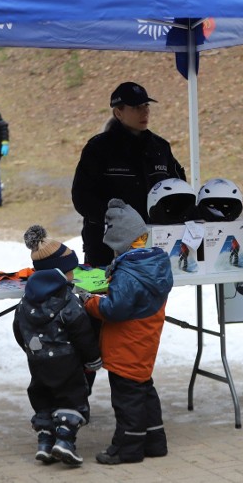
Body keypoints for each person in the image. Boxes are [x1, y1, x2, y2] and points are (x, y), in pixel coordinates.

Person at [81, 199, 172, 464]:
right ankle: (155, 441)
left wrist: (90, 302)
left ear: (121, 241)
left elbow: (114, 309)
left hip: (126, 347)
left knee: (126, 399)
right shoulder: (154, 264)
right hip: (145, 342)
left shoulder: (129, 273)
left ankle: (127, 448)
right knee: (144, 390)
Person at [14, 225, 102, 466]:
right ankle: (65, 443)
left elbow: (18, 329)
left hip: (38, 362)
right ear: (61, 273)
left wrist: (33, 350)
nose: (74, 274)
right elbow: (82, 332)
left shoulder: (25, 301)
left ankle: (44, 443)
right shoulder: (68, 301)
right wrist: (93, 358)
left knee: (44, 399)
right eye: (71, 270)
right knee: (71, 399)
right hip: (67, 361)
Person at [72, 81, 186, 268]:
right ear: (118, 112)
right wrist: (113, 219)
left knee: (152, 297)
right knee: (105, 297)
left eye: (146, 105)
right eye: (136, 107)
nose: (145, 112)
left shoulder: (160, 147)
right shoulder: (98, 148)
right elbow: (81, 196)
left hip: (155, 246)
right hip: (106, 248)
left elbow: (179, 188)